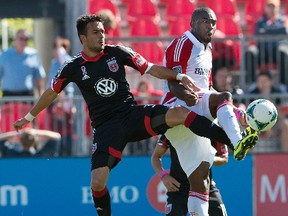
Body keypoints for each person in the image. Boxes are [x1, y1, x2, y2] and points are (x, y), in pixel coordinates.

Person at [13, 14, 254, 216]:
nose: (101, 35)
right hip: (106, 128)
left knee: (180, 113)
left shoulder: (117, 52)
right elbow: (51, 92)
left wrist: (178, 76)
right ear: (83, 38)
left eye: (102, 31)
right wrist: (30, 117)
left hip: (131, 115)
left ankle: (231, 141)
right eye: (95, 32)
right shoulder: (73, 67)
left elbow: (151, 69)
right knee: (97, 182)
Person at [161, 7, 258, 215]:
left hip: (196, 109)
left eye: (213, 22)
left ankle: (237, 136)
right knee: (225, 97)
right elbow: (172, 83)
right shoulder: (183, 43)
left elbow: (209, 90)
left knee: (201, 181)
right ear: (192, 23)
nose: (211, 26)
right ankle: (237, 141)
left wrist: (234, 113)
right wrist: (185, 93)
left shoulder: (208, 50)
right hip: (176, 107)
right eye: (206, 21)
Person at [151, 134, 228, 216]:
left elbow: (224, 158)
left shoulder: (212, 129)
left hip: (206, 186)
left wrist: (209, 158)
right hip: (178, 188)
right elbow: (156, 157)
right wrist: (164, 176)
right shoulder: (173, 129)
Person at [245, 0, 288, 83]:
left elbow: (285, 31)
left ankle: (284, 84)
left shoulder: (284, 21)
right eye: (269, 6)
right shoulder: (259, 22)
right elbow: (257, 33)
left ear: (278, 8)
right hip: (262, 51)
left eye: (274, 6)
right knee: (250, 52)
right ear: (265, 8)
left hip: (277, 51)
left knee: (284, 51)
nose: (271, 9)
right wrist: (277, 31)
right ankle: (252, 83)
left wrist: (265, 31)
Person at [0, 29, 46, 97]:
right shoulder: (4, 54)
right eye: (21, 38)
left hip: (27, 97)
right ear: (15, 39)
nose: (24, 41)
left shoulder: (33, 55)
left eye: (26, 39)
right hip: (8, 97)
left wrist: (42, 100)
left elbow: (39, 79)